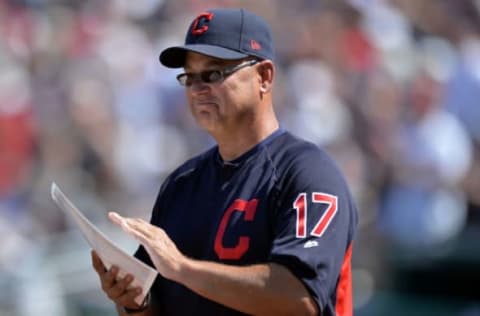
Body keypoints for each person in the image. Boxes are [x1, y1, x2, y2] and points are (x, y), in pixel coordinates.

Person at [91, 8, 358, 316]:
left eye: (214, 73)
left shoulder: (307, 172)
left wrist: (182, 268)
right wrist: (134, 303)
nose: (197, 89)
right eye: (190, 77)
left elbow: (300, 299)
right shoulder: (182, 183)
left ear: (264, 76)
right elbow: (159, 304)